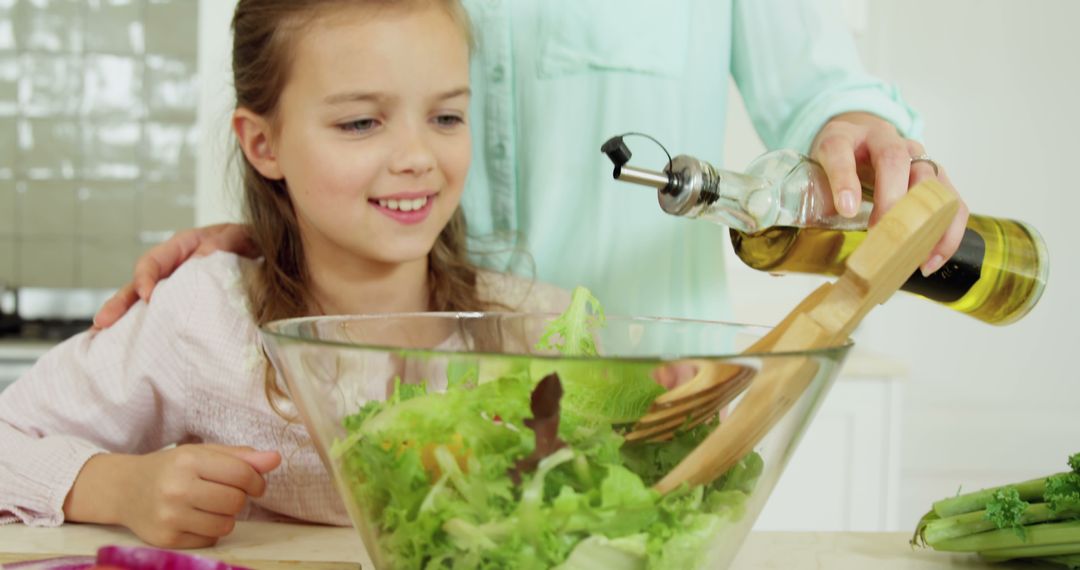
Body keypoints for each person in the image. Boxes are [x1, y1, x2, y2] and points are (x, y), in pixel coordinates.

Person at [0, 0, 566, 549]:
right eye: (361, 122)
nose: (417, 156)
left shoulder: (539, 333)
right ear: (263, 144)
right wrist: (119, 487)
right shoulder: (206, 316)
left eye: (446, 116)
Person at [93, 0, 969, 329]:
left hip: (652, 408)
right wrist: (285, 232)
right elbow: (317, 87)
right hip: (411, 417)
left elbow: (824, 88)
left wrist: (862, 134)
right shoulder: (194, 329)